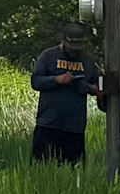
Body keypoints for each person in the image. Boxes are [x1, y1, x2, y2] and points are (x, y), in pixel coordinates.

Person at [29, 31, 103, 166]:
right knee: (41, 167)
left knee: (74, 170)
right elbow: (36, 82)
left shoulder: (88, 60)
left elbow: (97, 87)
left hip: (74, 127)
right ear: (63, 42)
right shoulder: (48, 56)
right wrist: (58, 79)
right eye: (71, 49)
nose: (74, 53)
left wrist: (88, 87)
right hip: (48, 124)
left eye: (77, 50)